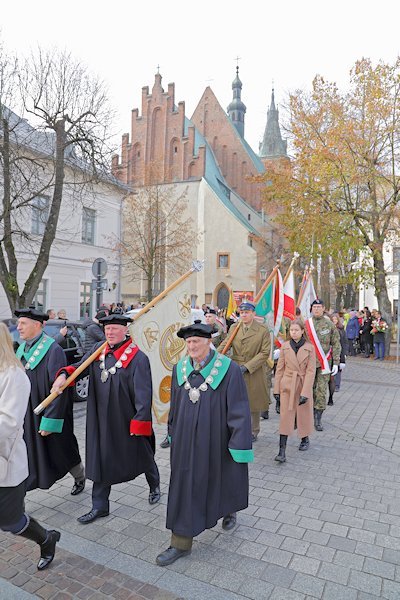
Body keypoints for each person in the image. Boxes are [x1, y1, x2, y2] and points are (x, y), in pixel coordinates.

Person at [156, 321, 253, 566]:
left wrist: (239, 443)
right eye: (188, 342)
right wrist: (171, 432)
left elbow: (240, 410)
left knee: (222, 480)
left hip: (217, 441)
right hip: (186, 444)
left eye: (196, 342)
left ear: (209, 342)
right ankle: (181, 542)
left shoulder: (229, 370)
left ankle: (229, 509)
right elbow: (175, 406)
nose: (191, 346)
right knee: (185, 487)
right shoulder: (179, 369)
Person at [51, 311, 160, 523]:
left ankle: (154, 485)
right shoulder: (97, 351)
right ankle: (100, 506)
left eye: (114, 328)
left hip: (126, 419)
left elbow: (144, 395)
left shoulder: (138, 358)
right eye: (107, 329)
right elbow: (80, 368)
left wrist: (139, 423)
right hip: (100, 419)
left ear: (125, 330)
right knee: (100, 458)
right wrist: (64, 374)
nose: (110, 332)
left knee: (143, 453)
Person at [0, 323, 61, 571]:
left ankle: (46, 539)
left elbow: (8, 423)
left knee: (11, 522)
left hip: (5, 464)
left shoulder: (13, 375)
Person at [15, 308, 85, 495]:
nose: (18, 327)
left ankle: (79, 476)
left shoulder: (53, 350)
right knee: (29, 453)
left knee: (63, 449)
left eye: (23, 323)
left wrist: (50, 421)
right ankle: (20, 496)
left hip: (48, 413)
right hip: (28, 413)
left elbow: (59, 391)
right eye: (18, 323)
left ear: (37, 325)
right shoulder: (23, 348)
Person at [218, 301, 271, 442]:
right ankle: (236, 427)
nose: (244, 315)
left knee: (253, 401)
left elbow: (265, 352)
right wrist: (214, 357)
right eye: (242, 313)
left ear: (253, 313)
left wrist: (247, 367)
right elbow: (226, 343)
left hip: (254, 369)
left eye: (247, 312)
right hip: (235, 367)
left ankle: (254, 430)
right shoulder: (235, 327)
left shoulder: (262, 330)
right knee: (235, 399)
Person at [273, 319, 316, 462]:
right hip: (287, 384)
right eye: (291, 330)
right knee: (285, 417)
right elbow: (279, 370)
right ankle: (281, 451)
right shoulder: (285, 347)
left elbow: (311, 371)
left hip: (302, 383)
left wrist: (305, 392)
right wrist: (276, 390)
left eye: (297, 330)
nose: (294, 333)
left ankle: (305, 438)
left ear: (303, 331)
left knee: (303, 414)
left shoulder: (309, 348)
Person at [304, 299, 341, 431]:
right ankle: (308, 414)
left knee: (320, 390)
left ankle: (318, 418)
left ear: (323, 308)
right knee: (309, 389)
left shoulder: (329, 324)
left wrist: (336, 362)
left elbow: (336, 343)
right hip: (308, 364)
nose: (317, 309)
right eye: (314, 307)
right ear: (311, 309)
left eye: (319, 307)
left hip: (324, 363)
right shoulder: (306, 324)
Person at [328, 314, 347, 403]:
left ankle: (337, 385)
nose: (334, 320)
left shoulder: (341, 329)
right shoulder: (328, 329)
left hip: (338, 352)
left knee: (338, 370)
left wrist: (344, 355)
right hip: (328, 354)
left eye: (336, 319)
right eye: (333, 319)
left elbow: (343, 343)